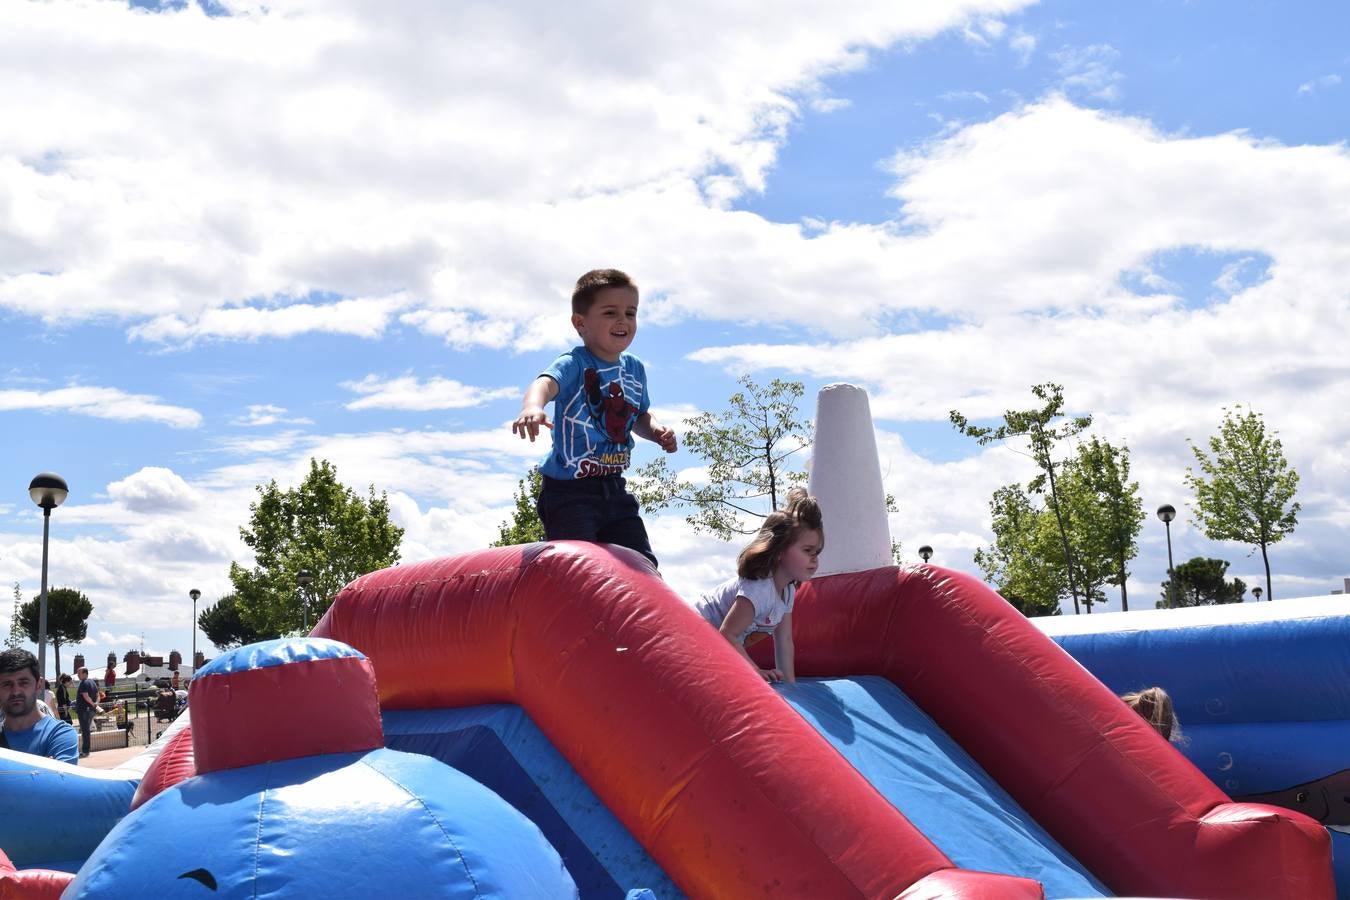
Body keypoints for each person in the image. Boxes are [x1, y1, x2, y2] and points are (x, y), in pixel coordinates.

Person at [511, 268, 677, 567]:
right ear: (581, 323)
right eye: (610, 312)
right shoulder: (575, 363)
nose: (622, 320)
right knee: (577, 564)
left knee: (641, 562)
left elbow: (638, 415)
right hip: (570, 492)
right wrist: (533, 407)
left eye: (630, 312)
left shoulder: (635, 369)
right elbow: (544, 383)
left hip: (614, 487)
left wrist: (655, 431)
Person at [694, 489, 824, 684]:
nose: (814, 559)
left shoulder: (787, 591)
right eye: (808, 550)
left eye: (817, 552)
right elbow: (728, 633)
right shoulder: (759, 588)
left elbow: (784, 642)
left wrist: (792, 687)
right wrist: (756, 672)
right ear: (779, 550)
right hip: (694, 629)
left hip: (715, 645)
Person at [0, 649, 79, 764]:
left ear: (39, 684)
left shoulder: (59, 734)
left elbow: (58, 781)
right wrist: (40, 770)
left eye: (23, 682)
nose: (15, 691)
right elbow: (45, 780)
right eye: (7, 684)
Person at [74, 665, 103, 758]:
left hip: (84, 710)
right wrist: (96, 703)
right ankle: (86, 750)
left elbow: (85, 696)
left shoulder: (83, 683)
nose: (78, 675)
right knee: (86, 730)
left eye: (79, 673)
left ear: (85, 673)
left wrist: (93, 703)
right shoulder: (93, 682)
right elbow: (98, 694)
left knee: (85, 730)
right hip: (91, 710)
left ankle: (85, 751)